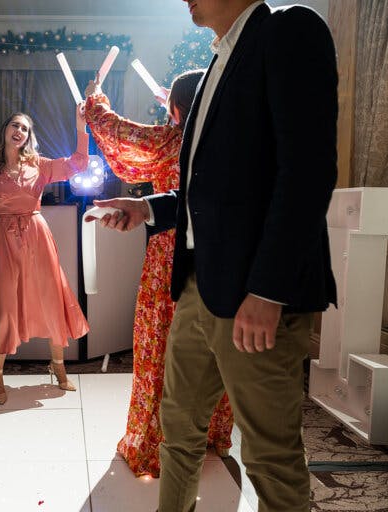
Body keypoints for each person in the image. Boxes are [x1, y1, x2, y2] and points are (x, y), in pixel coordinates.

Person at [90, 1, 338, 510]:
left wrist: (268, 289)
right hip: (196, 286)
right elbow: (211, 193)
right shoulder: (214, 67)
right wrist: (148, 209)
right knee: (176, 429)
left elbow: (308, 171)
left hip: (253, 291)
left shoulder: (291, 30)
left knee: (270, 458)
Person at [83, 70, 234, 478]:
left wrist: (95, 100)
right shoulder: (226, 140)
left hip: (170, 251)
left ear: (177, 110)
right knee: (215, 351)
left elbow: (118, 133)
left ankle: (158, 441)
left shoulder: (169, 141)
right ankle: (210, 432)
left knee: (160, 346)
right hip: (220, 255)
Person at [0, 107, 89, 405]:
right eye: (14, 125)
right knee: (6, 306)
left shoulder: (40, 165)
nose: (19, 131)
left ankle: (58, 367)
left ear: (28, 136)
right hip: (6, 241)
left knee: (51, 299)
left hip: (38, 235)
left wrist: (80, 127)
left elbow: (79, 163)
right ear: (5, 131)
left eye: (24, 128)